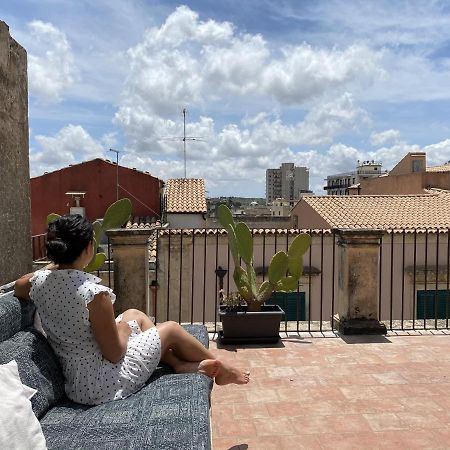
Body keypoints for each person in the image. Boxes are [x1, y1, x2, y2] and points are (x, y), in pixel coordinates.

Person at [14, 215, 249, 406]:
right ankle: (223, 369)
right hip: (102, 383)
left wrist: (56, 264)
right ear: (88, 249)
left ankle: (178, 365)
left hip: (76, 383)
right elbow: (115, 353)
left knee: (136, 314)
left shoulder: (38, 283)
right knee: (171, 329)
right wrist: (123, 329)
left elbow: (18, 285)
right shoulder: (93, 294)